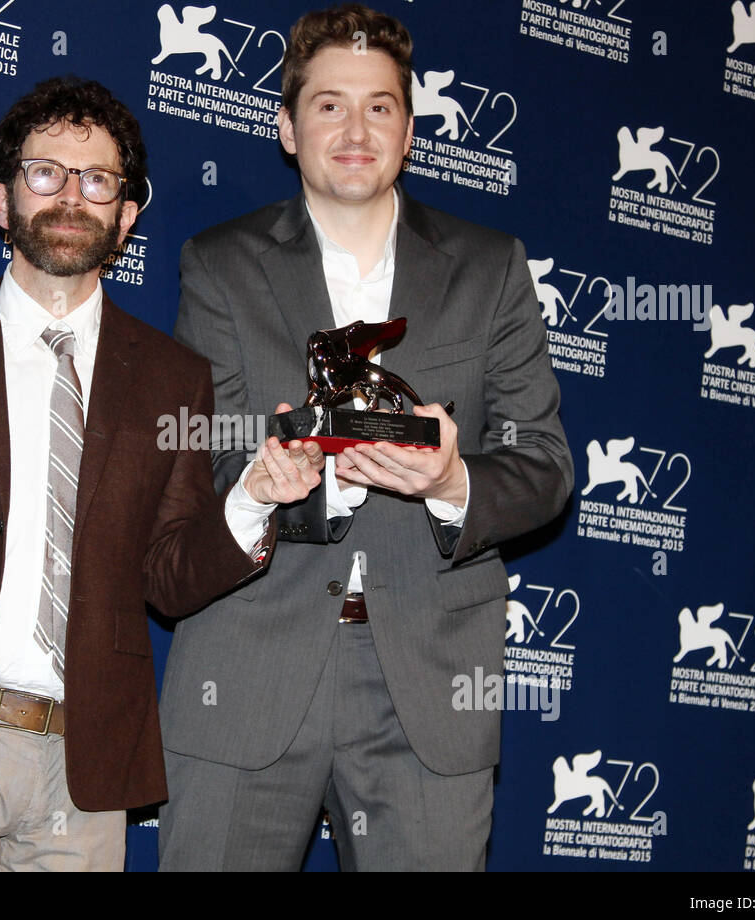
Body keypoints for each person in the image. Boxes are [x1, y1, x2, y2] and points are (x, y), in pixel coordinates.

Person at [0, 76, 321, 871]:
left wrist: (250, 497)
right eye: (46, 173)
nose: (72, 196)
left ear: (127, 216)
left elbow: (168, 579)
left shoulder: (174, 379)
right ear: (4, 201)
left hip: (87, 768)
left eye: (98, 180)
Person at [158, 5, 574, 870]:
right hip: (248, 664)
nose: (355, 129)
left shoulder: (491, 265)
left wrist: (453, 478)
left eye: (380, 106)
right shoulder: (220, 262)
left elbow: (544, 465)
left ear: (411, 130)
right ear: (286, 126)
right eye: (329, 105)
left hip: (430, 681)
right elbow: (204, 454)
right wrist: (259, 484)